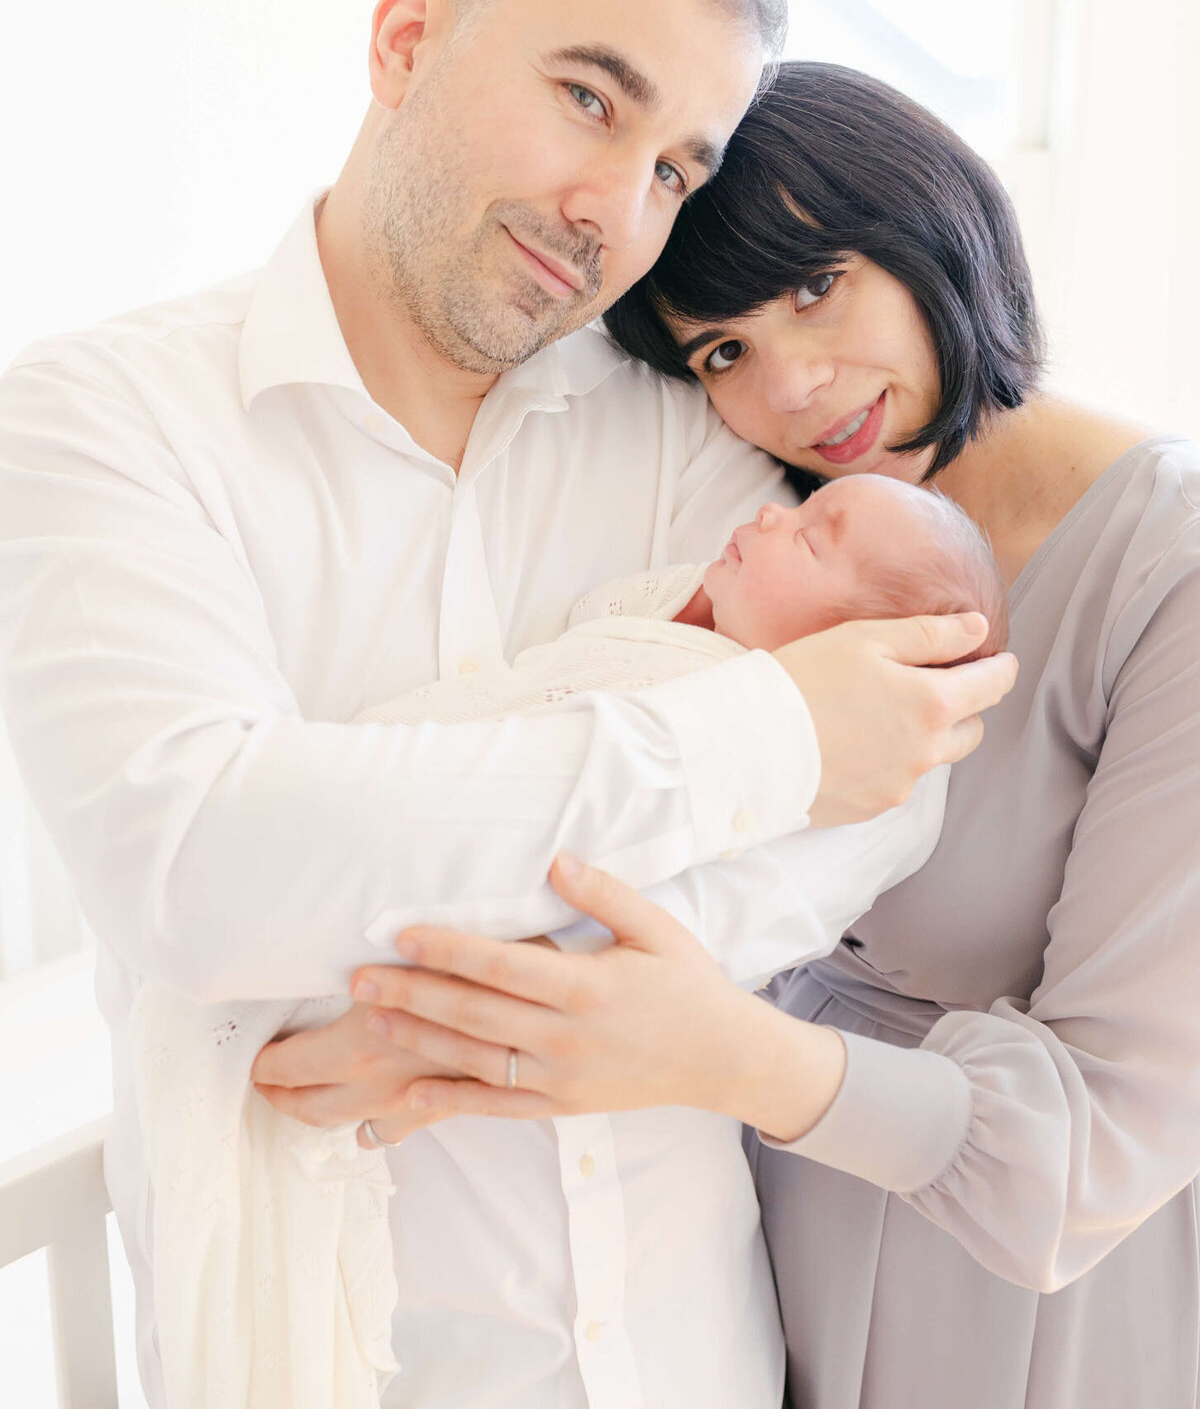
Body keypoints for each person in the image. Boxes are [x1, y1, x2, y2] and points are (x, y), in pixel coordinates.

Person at [0, 0, 1014, 1409]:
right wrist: (759, 738)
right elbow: (202, 867)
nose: (615, 209)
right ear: (407, 40)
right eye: (590, 97)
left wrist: (548, 1023)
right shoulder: (100, 423)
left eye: (675, 169)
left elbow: (889, 775)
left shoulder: (683, 429)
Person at [351, 60, 1200, 1409]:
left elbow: (1109, 1132)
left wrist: (714, 1049)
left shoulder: (1166, 576)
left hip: (1024, 1325)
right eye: (723, 352)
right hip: (752, 1294)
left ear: (934, 221)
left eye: (816, 287)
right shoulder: (777, 545)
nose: (795, 386)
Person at [139, 472, 1006, 1406]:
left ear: (868, 653)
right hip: (455, 1305)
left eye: (811, 536)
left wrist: (454, 1027)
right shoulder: (671, 627)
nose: (768, 511)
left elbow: (722, 905)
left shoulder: (844, 790)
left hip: (681, 1332)